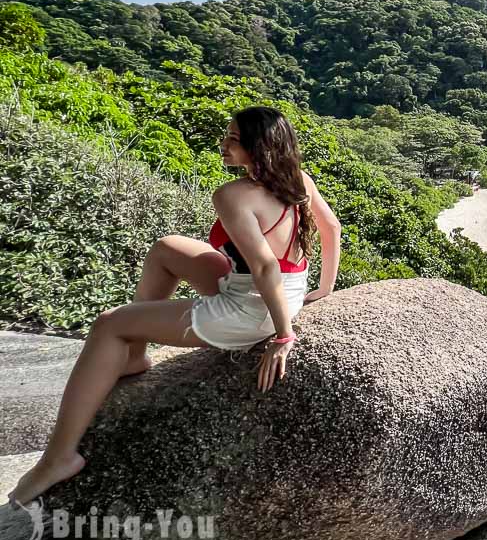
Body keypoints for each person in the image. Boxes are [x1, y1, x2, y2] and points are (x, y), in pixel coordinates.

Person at [8, 106, 341, 507]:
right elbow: (331, 228)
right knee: (167, 248)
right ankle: (132, 357)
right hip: (278, 289)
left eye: (234, 139)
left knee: (108, 323)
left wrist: (283, 335)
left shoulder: (233, 196)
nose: (224, 144)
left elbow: (265, 265)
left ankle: (59, 457)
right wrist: (321, 289)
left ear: (259, 146)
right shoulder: (297, 181)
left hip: (253, 308)